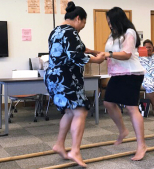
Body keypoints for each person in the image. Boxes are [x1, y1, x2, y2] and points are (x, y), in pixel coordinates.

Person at [44, 1, 105, 167]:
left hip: (54, 77)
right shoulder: (71, 32)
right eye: (84, 23)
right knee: (81, 111)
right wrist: (97, 59)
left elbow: (77, 49)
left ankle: (59, 145)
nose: (82, 27)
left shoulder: (56, 31)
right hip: (66, 77)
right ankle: (75, 150)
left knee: (70, 112)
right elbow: (76, 56)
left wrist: (92, 51)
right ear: (78, 18)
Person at [101, 7, 147, 161]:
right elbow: (109, 53)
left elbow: (127, 54)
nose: (109, 25)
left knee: (131, 108)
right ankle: (123, 131)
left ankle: (142, 145)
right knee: (108, 103)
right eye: (108, 22)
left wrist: (108, 54)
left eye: (110, 22)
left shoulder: (129, 33)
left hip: (132, 73)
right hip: (117, 74)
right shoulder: (113, 35)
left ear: (117, 20)